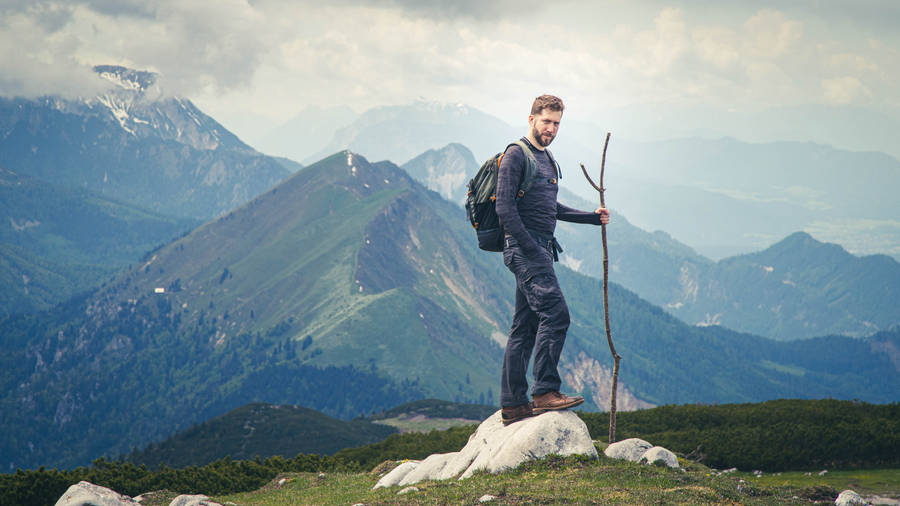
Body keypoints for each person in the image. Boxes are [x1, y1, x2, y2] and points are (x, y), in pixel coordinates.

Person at [495, 94, 610, 425]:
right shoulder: (516, 155)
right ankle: (545, 392)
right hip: (528, 250)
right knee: (556, 315)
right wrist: (531, 249)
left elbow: (550, 208)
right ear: (531, 119)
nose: (552, 128)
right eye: (546, 121)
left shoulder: (546, 159)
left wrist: (591, 217)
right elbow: (504, 208)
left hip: (538, 248)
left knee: (525, 325)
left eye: (557, 123)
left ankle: (513, 405)